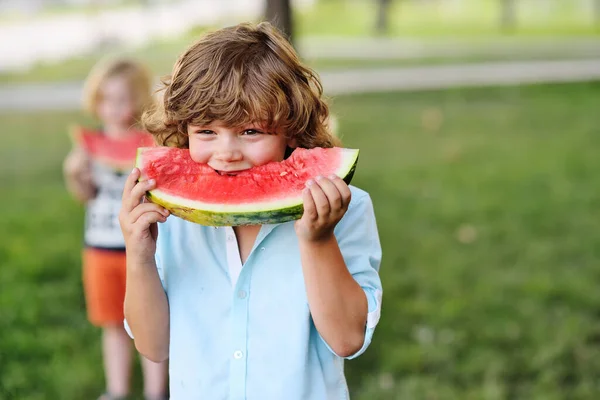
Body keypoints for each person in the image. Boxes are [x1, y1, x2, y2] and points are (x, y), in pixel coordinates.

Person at [120, 22, 382, 399]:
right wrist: (139, 257)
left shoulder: (348, 209)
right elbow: (153, 347)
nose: (227, 152)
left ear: (291, 129)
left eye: (250, 132)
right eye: (206, 131)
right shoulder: (170, 217)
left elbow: (347, 339)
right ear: (183, 128)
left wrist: (318, 240)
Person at [63, 57, 168, 400]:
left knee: (148, 322)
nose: (111, 108)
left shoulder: (149, 144)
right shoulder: (88, 146)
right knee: (112, 323)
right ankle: (117, 390)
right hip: (99, 247)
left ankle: (156, 391)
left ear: (138, 102)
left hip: (139, 249)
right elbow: (86, 195)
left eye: (121, 100)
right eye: (104, 99)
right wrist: (75, 175)